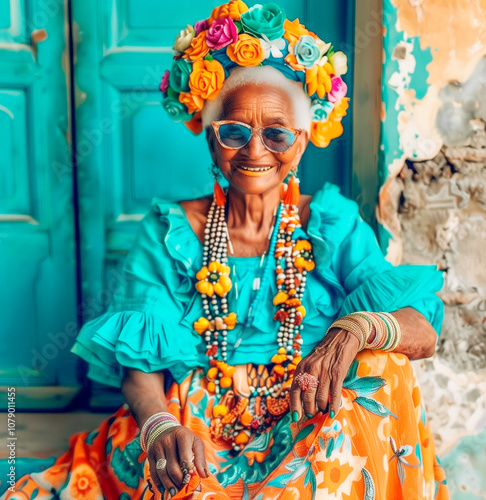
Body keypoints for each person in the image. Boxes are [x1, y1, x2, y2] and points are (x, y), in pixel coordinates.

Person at [3, 2, 450, 499]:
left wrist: (359, 326)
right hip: (197, 423)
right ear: (212, 140)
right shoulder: (172, 230)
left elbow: (422, 332)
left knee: (383, 365)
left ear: (301, 143)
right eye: (235, 131)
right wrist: (157, 426)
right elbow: (138, 367)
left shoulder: (331, 222)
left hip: (305, 419)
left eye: (276, 133)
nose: (255, 151)